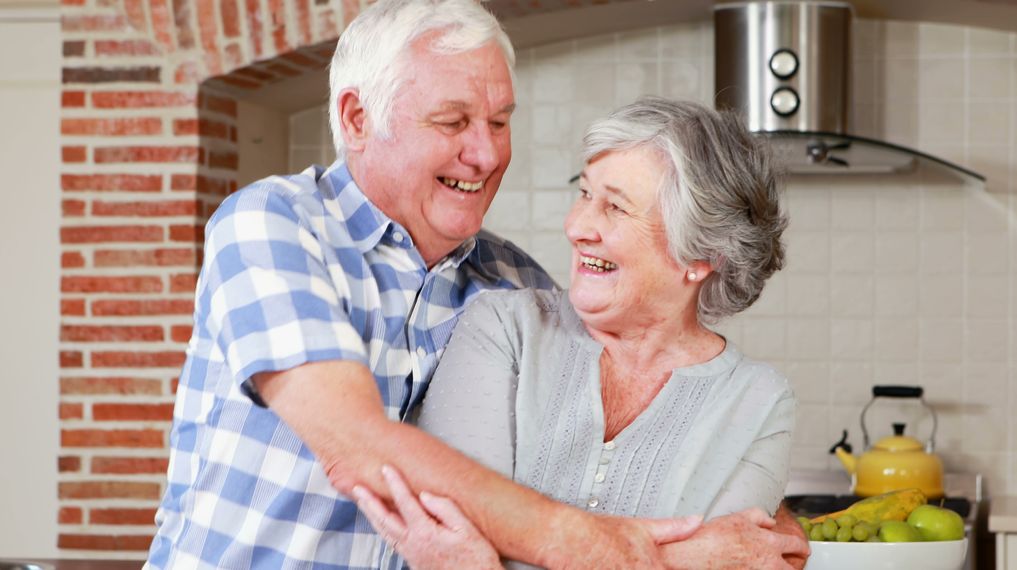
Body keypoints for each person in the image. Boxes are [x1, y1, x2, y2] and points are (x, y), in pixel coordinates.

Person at [147, 0, 808, 567]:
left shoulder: (511, 285)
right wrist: (632, 553)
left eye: (498, 121)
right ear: (355, 119)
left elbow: (666, 415)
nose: (488, 154)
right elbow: (354, 443)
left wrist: (762, 513)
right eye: (453, 121)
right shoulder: (275, 226)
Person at [352, 97, 809, 569]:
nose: (576, 226)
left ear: (701, 257)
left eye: (615, 207)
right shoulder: (507, 329)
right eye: (585, 193)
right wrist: (683, 560)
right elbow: (448, 534)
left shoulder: (759, 401)